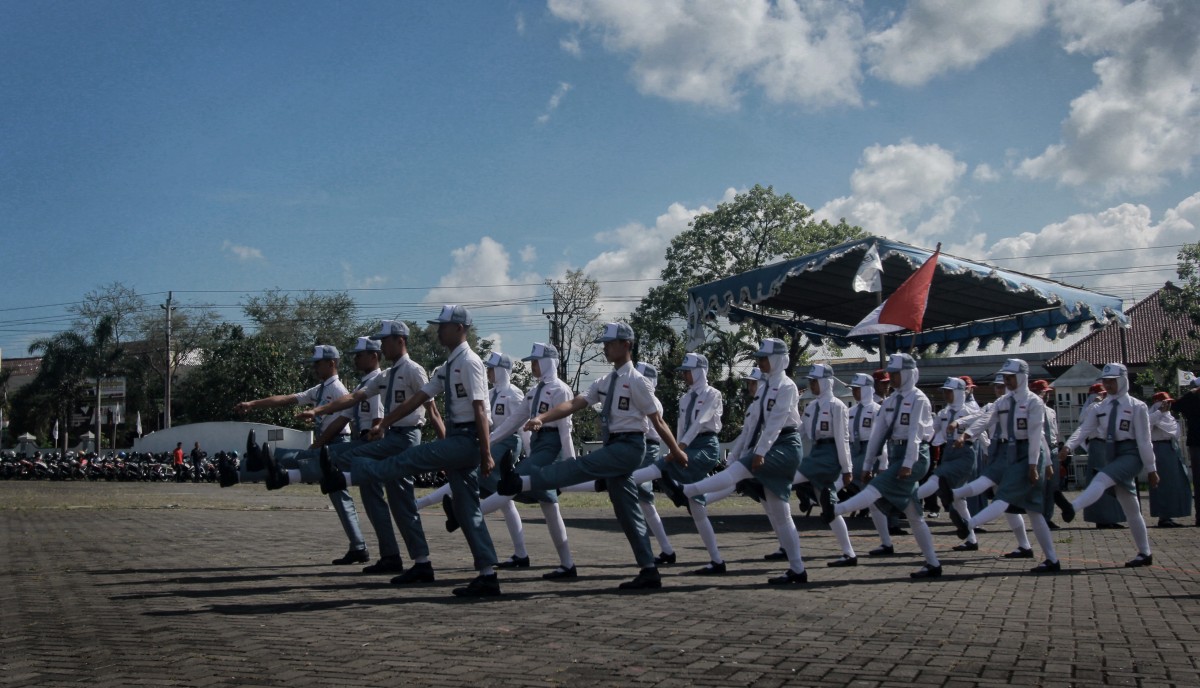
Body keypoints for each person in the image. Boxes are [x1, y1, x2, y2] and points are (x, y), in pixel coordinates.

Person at [318, 306, 501, 597]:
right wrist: (385, 423)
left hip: (467, 440)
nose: (437, 330)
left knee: (408, 459)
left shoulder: (470, 362)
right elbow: (419, 398)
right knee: (468, 510)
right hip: (458, 437)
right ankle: (488, 575)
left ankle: (346, 478)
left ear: (459, 329)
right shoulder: (448, 364)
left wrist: (486, 451)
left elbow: (480, 407)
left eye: (442, 326)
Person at [497, 322, 688, 591]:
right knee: (627, 511)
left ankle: (520, 483)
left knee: (580, 466)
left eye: (610, 343)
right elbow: (575, 403)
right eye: (605, 344)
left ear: (627, 345)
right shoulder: (605, 381)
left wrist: (676, 450)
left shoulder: (637, 381)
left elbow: (658, 421)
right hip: (615, 446)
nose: (606, 348)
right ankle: (649, 569)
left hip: (630, 447)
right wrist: (542, 416)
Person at [288, 328, 444, 578]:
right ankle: (408, 560)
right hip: (392, 437)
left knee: (350, 457)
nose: (382, 346)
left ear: (400, 341)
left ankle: (312, 473)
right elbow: (353, 397)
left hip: (404, 438)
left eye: (385, 341)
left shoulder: (414, 370)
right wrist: (318, 412)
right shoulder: (386, 375)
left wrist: (444, 447)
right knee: (399, 503)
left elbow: (433, 411)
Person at [681, 338, 810, 585]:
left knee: (740, 472)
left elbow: (776, 422)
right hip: (770, 444)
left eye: (764, 357)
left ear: (777, 359)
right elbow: (752, 427)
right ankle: (797, 568)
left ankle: (688, 490)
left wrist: (758, 453)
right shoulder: (765, 389)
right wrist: (743, 453)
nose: (761, 361)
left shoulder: (787, 386)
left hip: (785, 444)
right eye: (760, 358)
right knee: (780, 512)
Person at [447, 345, 580, 580]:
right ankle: (567, 565)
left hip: (552, 447)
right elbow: (513, 422)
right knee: (550, 509)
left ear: (548, 363)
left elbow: (565, 427)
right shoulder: (532, 392)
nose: (532, 366)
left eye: (536, 362)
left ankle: (463, 516)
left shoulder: (561, 390)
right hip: (540, 445)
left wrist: (570, 461)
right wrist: (486, 444)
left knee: (512, 483)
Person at [233, 345, 369, 565]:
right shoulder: (320, 389)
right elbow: (287, 399)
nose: (314, 367)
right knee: (336, 495)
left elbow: (342, 421)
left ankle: (359, 546)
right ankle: (358, 546)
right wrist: (253, 404)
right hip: (326, 441)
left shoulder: (340, 391)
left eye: (317, 363)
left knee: (336, 493)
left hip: (335, 441)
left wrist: (318, 445)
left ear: (331, 363)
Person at [826, 353, 943, 579]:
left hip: (916, 455)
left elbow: (916, 434)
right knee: (914, 515)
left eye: (898, 374)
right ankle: (933, 563)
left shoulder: (919, 399)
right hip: (898, 451)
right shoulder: (889, 402)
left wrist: (908, 463)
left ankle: (837, 509)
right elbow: (878, 435)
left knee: (878, 486)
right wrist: (868, 464)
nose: (894, 379)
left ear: (909, 374)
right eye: (892, 374)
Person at [953, 359, 1062, 574]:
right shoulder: (1003, 401)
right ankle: (1052, 559)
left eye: (1010, 377)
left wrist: (1035, 465)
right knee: (1033, 511)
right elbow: (986, 419)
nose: (1007, 381)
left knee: (1004, 496)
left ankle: (969, 524)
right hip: (1010, 453)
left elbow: (1036, 435)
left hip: (1027, 454)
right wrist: (967, 434)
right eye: (1005, 377)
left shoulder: (1034, 402)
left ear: (1022, 377)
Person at [633, 353, 727, 575]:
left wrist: (677, 450)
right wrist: (676, 447)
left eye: (688, 371)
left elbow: (702, 421)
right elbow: (681, 428)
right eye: (684, 372)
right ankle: (717, 560)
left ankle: (616, 483)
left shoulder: (713, 394)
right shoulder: (684, 399)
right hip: (686, 447)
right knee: (697, 508)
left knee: (661, 469)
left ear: (700, 371)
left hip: (705, 446)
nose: (685, 375)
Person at [1060, 363, 1161, 568]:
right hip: (1111, 454)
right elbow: (1084, 429)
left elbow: (1144, 440)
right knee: (1131, 507)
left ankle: (1072, 507)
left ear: (1123, 380)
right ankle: (1145, 553)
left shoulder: (1137, 406)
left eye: (1112, 381)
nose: (1108, 385)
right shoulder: (1100, 407)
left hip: (1131, 454)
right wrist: (1068, 447)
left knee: (1101, 478)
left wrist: (1151, 469)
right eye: (1105, 381)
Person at [793, 364, 857, 567]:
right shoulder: (812, 407)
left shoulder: (837, 406)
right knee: (829, 507)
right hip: (816, 453)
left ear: (826, 382)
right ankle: (849, 554)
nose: (811, 385)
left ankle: (801, 492)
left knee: (787, 479)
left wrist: (847, 469)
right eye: (810, 381)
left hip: (829, 455)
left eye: (814, 381)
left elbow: (842, 438)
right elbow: (801, 431)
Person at [916, 377, 979, 551]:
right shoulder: (943, 413)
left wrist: (988, 450)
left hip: (965, 452)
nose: (946, 394)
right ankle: (971, 539)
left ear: (959, 392)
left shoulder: (970, 411)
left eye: (949, 391)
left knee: (938, 477)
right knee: (959, 500)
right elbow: (930, 431)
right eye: (944, 391)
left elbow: (981, 430)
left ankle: (909, 500)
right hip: (948, 452)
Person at [1064, 383, 1127, 528]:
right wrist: (1096, 402)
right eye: (1102, 394)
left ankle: (1112, 517)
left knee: (1112, 483)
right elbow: (1084, 423)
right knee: (1100, 482)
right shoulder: (1092, 408)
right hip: (1098, 444)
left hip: (1110, 444)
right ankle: (1101, 518)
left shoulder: (1108, 406)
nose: (1104, 397)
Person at [1148, 391, 1191, 528]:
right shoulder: (1154, 415)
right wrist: (1159, 412)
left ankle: (1170, 514)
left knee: (1174, 483)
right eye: (1166, 402)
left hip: (1171, 448)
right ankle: (1163, 516)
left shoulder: (1169, 417)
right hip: (1160, 448)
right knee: (1163, 484)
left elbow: (1175, 432)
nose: (1168, 405)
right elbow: (1146, 424)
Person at [1171, 377, 1200, 525]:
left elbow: (1175, 406)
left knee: (1198, 480)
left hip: (1195, 442)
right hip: (1196, 442)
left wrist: (1190, 394)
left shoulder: (1191, 398)